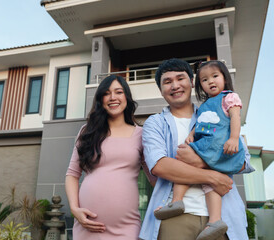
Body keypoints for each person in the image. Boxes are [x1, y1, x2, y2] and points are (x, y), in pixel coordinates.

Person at [139, 58, 254, 240]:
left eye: (180, 79)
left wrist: (200, 160)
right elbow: (159, 166)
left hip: (223, 216)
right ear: (161, 91)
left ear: (192, 83)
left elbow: (244, 161)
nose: (175, 85)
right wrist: (213, 177)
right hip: (175, 217)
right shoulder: (155, 123)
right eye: (167, 82)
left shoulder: (216, 112)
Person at [66, 75, 155, 239]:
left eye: (118, 92)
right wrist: (74, 209)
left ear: (126, 97)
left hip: (126, 228)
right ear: (101, 99)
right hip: (87, 226)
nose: (113, 97)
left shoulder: (141, 134)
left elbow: (154, 178)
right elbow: (72, 174)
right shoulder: (87, 131)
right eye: (107, 93)